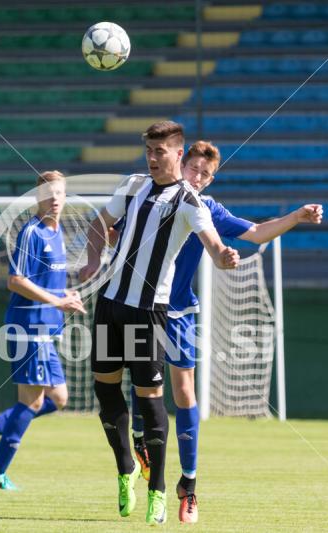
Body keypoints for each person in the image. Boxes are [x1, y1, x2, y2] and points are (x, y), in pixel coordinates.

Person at [127, 140, 323, 523]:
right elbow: (115, 228)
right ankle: (141, 448)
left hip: (178, 311)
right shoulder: (149, 197)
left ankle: (188, 484)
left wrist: (296, 216)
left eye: (205, 174)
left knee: (184, 392)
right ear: (181, 164)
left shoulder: (207, 209)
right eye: (193, 169)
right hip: (141, 306)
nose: (197, 177)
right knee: (142, 385)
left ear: (211, 178)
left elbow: (257, 233)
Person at [79, 121, 240, 525]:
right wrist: (93, 260)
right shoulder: (132, 184)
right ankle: (126, 469)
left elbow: (215, 246)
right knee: (105, 391)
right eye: (149, 151)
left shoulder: (190, 201)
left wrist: (225, 258)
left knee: (150, 401)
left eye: (160, 151)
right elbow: (99, 224)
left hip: (149, 312)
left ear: (178, 154)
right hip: (110, 304)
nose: (152, 158)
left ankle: (159, 491)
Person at [0, 170, 86, 491]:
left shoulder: (57, 232)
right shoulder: (31, 233)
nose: (55, 199)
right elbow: (16, 281)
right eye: (48, 193)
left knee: (58, 398)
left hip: (46, 329)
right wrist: (57, 302)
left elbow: (44, 282)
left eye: (59, 193)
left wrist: (63, 295)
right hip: (28, 328)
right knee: (32, 403)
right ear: (38, 197)